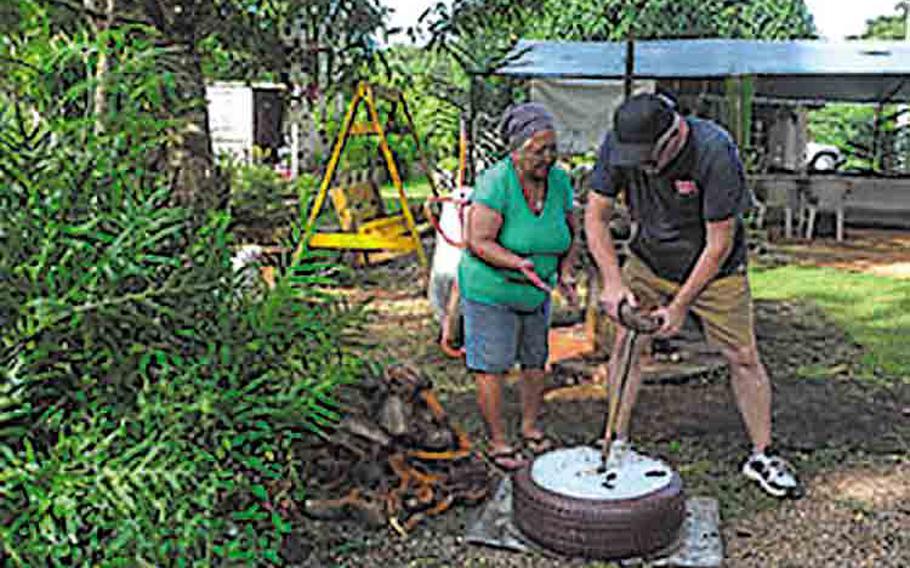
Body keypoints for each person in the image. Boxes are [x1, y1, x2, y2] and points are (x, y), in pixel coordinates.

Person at [584, 93, 803, 498]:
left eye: (650, 158)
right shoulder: (619, 145)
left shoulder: (714, 151)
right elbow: (595, 216)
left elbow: (719, 243)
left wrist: (680, 306)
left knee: (743, 356)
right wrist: (613, 281)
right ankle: (614, 441)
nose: (643, 168)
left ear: (674, 133)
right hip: (650, 260)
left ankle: (763, 454)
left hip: (716, 271)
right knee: (628, 346)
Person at [459, 102, 578, 471]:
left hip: (536, 289)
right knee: (492, 365)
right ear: (516, 149)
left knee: (534, 360)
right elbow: (477, 240)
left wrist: (568, 272)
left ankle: (529, 425)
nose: (547, 157)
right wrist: (517, 263)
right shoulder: (496, 182)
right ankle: (498, 440)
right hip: (493, 287)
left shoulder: (559, 181)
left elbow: (571, 232)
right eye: (538, 150)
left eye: (552, 148)